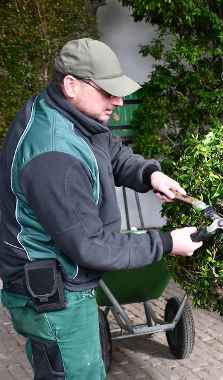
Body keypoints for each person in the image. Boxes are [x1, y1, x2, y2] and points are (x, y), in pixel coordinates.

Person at [0, 38, 202, 379]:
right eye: (108, 92)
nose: (118, 101)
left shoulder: (71, 115)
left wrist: (150, 174)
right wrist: (167, 243)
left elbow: (111, 151)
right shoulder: (53, 155)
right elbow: (92, 246)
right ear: (71, 85)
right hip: (54, 297)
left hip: (59, 282)